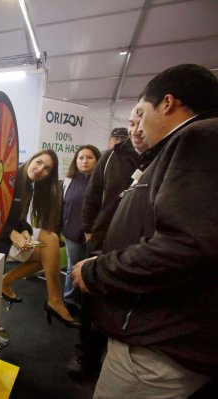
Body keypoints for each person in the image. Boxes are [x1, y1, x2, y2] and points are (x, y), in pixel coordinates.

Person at [72, 64, 218, 398]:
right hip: (161, 337)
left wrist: (96, 270)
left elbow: (184, 246)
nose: (136, 125)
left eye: (141, 112)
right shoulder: (180, 145)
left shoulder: (200, 138)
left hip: (155, 348)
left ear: (167, 103)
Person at [67, 105, 148, 379]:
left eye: (141, 122)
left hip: (139, 247)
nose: (136, 129)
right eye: (132, 122)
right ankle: (84, 358)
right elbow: (93, 196)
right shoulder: (112, 156)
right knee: (91, 304)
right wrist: (90, 233)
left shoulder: (161, 157)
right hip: (103, 243)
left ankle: (110, 358)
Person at [0, 149, 80, 329]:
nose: (40, 169)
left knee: (50, 245)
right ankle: (55, 301)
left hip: (13, 233)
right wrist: (12, 233)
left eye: (47, 169)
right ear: (32, 158)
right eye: (39, 162)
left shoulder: (28, 185)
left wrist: (25, 230)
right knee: (50, 245)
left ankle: (7, 282)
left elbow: (18, 218)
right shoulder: (10, 178)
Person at [60, 145, 100, 312]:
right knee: (73, 266)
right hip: (72, 234)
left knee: (91, 269)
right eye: (80, 157)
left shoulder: (103, 181)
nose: (84, 161)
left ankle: (87, 302)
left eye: (89, 157)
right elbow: (62, 207)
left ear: (98, 160)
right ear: (75, 161)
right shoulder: (68, 181)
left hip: (95, 235)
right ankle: (69, 300)